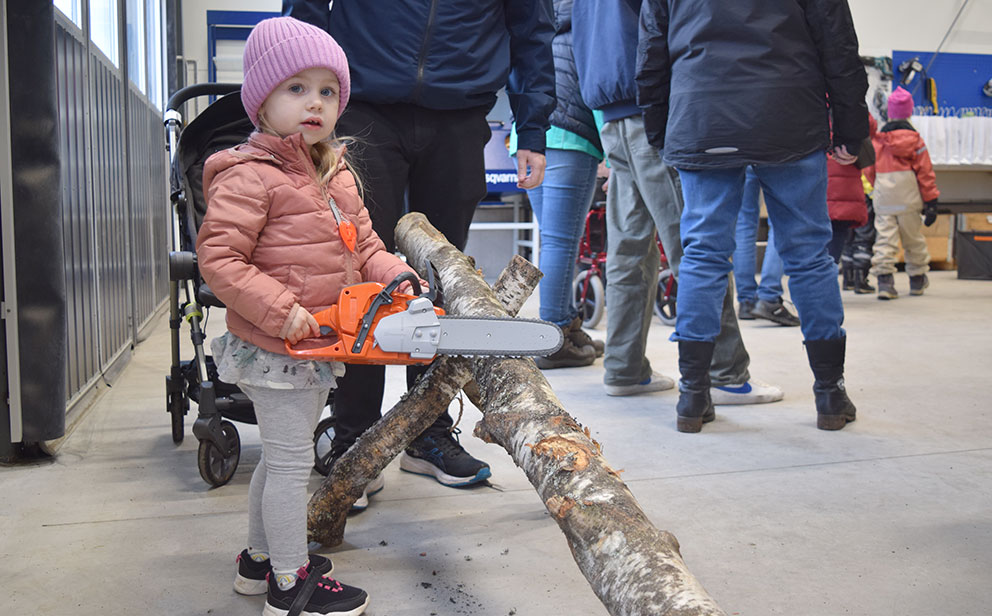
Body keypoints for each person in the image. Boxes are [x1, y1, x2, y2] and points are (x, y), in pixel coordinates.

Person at [196, 17, 426, 616]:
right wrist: (282, 311)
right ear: (261, 100)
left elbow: (365, 244)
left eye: (327, 91)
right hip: (275, 347)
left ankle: (258, 561)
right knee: (292, 464)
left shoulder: (334, 172)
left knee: (281, 457)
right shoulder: (249, 176)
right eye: (296, 89)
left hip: (314, 346)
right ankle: (289, 582)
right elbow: (219, 260)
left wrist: (394, 275)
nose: (315, 103)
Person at [283, 1, 555, 490]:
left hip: (460, 110)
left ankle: (428, 432)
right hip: (364, 104)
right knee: (357, 270)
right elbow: (305, 12)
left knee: (442, 279)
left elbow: (532, 29)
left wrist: (532, 127)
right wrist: (302, 99)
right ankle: (354, 437)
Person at [637, 0, 868, 432]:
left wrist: (661, 129)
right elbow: (837, 44)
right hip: (789, 113)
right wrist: (851, 127)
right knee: (808, 255)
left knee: (703, 254)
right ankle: (830, 394)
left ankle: (693, 395)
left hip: (702, 112)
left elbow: (652, 51)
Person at [573, 0, 783, 405]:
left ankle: (624, 368)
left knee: (629, 249)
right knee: (696, 247)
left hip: (610, 111)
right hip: (650, 107)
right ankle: (725, 373)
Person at [511, 0, 603, 370]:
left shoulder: (539, 26)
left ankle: (567, 323)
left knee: (552, 238)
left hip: (528, 140)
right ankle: (555, 336)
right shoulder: (588, 25)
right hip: (572, 139)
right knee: (561, 242)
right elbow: (598, 85)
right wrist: (613, 149)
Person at [868, 86, 940, 299]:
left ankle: (885, 283)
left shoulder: (879, 141)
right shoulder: (916, 141)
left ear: (890, 113)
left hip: (884, 196)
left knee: (884, 239)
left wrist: (878, 187)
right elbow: (925, 173)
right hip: (909, 198)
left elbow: (869, 170)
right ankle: (917, 280)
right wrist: (931, 201)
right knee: (913, 239)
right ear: (909, 112)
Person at [733, 167, 800, 327]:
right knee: (780, 220)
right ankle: (769, 296)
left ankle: (746, 301)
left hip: (740, 156)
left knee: (744, 222)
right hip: (775, 156)